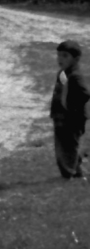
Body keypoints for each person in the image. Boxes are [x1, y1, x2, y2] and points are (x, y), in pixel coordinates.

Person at [50, 40, 88, 180]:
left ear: (76, 59)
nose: (60, 59)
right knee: (66, 147)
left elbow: (85, 94)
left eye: (65, 56)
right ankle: (76, 172)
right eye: (59, 55)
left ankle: (68, 175)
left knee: (67, 148)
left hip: (71, 118)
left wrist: (72, 108)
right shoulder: (63, 73)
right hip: (60, 116)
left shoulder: (75, 76)